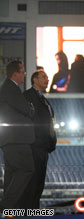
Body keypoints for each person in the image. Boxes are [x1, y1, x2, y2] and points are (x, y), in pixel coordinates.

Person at [0, 61, 35, 210]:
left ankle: (9, 211)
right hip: (17, 139)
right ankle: (6, 206)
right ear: (16, 73)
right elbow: (27, 109)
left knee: (12, 174)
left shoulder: (8, 88)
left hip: (11, 139)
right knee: (26, 169)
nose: (25, 74)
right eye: (23, 71)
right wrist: (31, 108)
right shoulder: (10, 88)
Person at [20, 70, 57, 209]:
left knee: (38, 185)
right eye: (44, 77)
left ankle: (34, 212)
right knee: (31, 185)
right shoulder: (27, 96)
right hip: (33, 147)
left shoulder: (44, 99)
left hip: (43, 148)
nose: (47, 79)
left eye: (47, 77)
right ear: (34, 80)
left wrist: (51, 142)